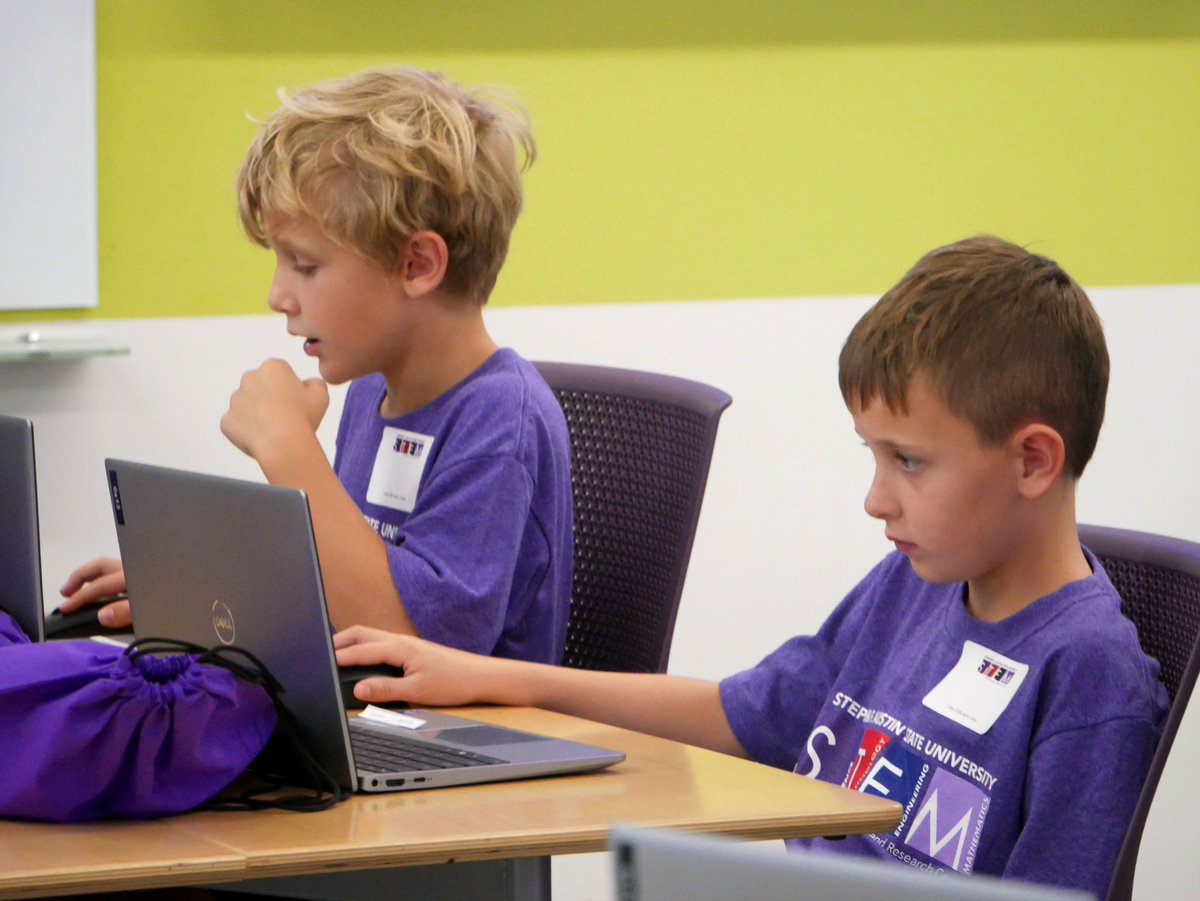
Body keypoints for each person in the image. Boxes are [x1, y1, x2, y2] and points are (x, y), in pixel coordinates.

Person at [331, 236, 1168, 896]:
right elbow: (740, 712)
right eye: (874, 456)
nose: (876, 499)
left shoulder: (1090, 676)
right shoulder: (912, 585)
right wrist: (489, 677)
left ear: (1032, 461)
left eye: (909, 461)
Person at [58, 66, 574, 662]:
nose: (278, 295)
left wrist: (288, 448)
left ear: (417, 265)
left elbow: (414, 648)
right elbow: (347, 582)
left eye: (304, 265)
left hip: (441, 720)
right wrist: (201, 585)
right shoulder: (374, 389)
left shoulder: (500, 419)